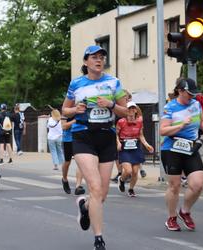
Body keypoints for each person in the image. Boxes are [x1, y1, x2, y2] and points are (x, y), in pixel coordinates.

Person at [62, 45, 127, 250]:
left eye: (101, 57)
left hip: (106, 136)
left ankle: (85, 206)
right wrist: (76, 109)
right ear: (85, 62)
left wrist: (110, 105)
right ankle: (99, 239)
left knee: (102, 194)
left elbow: (126, 112)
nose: (99, 60)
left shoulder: (114, 82)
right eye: (94, 57)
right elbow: (64, 109)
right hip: (83, 136)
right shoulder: (76, 83)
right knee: (95, 188)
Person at [160, 77, 203, 231]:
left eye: (194, 94)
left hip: (189, 148)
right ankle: (171, 217)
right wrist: (181, 125)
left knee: (198, 184)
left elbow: (202, 121)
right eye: (189, 93)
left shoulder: (196, 104)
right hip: (171, 149)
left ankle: (185, 211)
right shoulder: (170, 107)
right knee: (174, 186)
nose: (192, 97)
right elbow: (162, 130)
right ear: (180, 91)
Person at [116, 101, 154, 197]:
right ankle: (121, 180)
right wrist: (118, 143)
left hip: (135, 147)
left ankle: (131, 189)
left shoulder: (139, 122)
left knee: (135, 171)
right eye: (129, 108)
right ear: (126, 110)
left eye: (133, 108)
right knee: (128, 171)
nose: (131, 110)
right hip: (124, 148)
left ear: (136, 110)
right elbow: (115, 134)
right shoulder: (121, 122)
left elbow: (141, 135)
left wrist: (146, 145)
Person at [61, 116, 85, 195]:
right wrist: (75, 121)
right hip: (68, 139)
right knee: (67, 162)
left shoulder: (82, 110)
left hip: (80, 138)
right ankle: (64, 179)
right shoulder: (66, 111)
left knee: (80, 162)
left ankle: (78, 186)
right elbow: (64, 126)